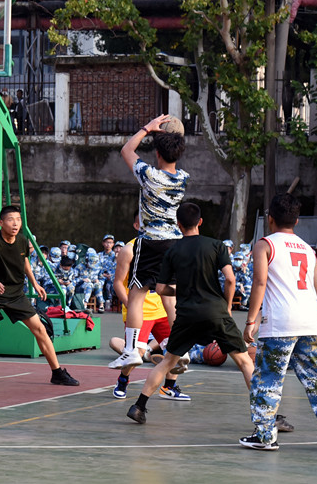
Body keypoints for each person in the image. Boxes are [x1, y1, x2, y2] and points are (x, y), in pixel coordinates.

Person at [127, 203, 255, 424]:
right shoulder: (216, 245)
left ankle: (139, 406)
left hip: (186, 315)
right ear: (200, 222)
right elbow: (230, 279)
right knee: (244, 361)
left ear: (178, 224)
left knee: (167, 362)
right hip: (215, 311)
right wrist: (227, 307)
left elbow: (160, 289)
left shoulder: (172, 251)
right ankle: (266, 413)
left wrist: (181, 290)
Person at [241, 194, 317, 452]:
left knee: (268, 379)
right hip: (309, 322)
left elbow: (260, 282)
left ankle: (265, 436)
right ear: (297, 221)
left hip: (280, 323)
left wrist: (251, 320)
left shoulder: (265, 244)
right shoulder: (308, 250)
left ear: (270, 218)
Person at [0, 205, 79, 389]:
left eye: (18, 220)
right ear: (1, 223)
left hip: (15, 293)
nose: (15, 223)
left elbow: (25, 261)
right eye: (11, 220)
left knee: (40, 329)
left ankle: (57, 373)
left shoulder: (22, 240)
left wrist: (35, 283)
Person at [110, 114, 189, 370]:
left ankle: (131, 350)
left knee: (136, 295)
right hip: (174, 242)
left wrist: (148, 128)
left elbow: (126, 150)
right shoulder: (183, 178)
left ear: (157, 153)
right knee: (170, 299)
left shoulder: (149, 175)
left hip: (151, 241)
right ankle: (179, 350)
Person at [111, 211, 188, 400]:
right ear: (137, 226)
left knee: (175, 348)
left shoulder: (167, 247)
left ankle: (169, 387)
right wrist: (130, 305)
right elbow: (118, 283)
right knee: (136, 352)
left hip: (162, 309)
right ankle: (123, 380)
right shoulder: (129, 249)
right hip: (140, 311)